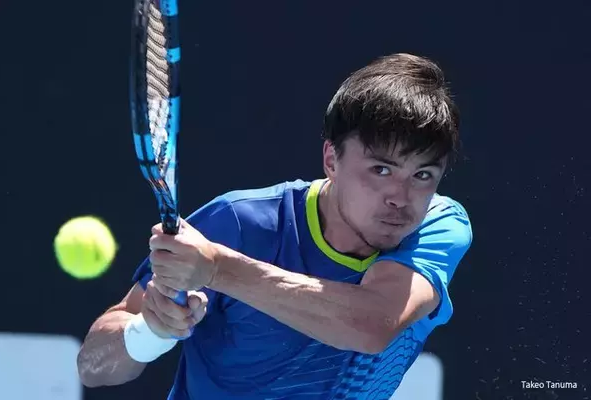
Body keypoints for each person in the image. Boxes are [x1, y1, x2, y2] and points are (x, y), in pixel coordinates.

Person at [77, 53, 473, 399]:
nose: (400, 197)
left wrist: (218, 269)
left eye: (422, 175)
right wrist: (149, 332)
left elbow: (372, 325)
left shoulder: (437, 225)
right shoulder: (238, 223)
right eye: (381, 169)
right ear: (331, 160)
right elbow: (92, 367)